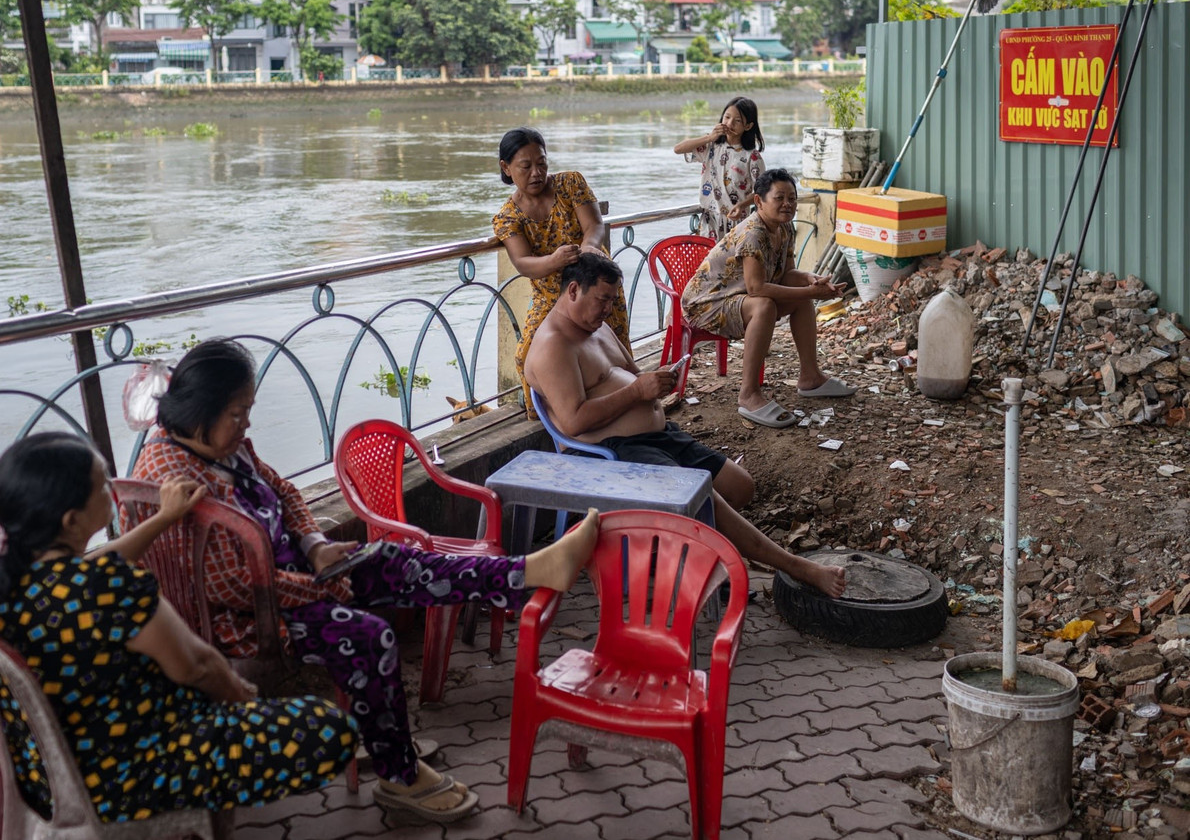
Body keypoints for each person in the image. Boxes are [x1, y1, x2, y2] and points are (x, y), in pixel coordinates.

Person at [130, 339, 603, 823]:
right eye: (237, 412)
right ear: (200, 410)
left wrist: (315, 545)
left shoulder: (223, 445)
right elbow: (230, 587)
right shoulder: (172, 475)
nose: (246, 424)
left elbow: (286, 491)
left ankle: (532, 570)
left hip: (296, 575)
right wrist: (323, 587)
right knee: (367, 637)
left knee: (397, 561)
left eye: (248, 410)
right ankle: (398, 775)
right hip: (249, 618)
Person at [0, 433, 359, 823]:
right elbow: (197, 666)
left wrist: (163, 518)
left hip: (45, 777)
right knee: (329, 731)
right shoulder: (108, 586)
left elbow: (96, 564)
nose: (112, 490)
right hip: (126, 776)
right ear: (71, 520)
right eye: (102, 485)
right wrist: (244, 699)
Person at [524, 253, 846, 598]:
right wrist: (637, 392)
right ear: (573, 290)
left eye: (611, 301)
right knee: (702, 497)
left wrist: (658, 382)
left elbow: (633, 375)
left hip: (656, 437)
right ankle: (794, 567)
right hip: (611, 453)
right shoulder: (553, 346)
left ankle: (668, 541)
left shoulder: (597, 327)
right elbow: (572, 422)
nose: (607, 310)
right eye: (602, 300)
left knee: (740, 488)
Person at [680, 168, 856, 430]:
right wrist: (810, 292)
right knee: (764, 305)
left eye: (792, 198)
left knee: (799, 292)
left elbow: (788, 274)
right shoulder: (754, 232)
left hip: (738, 296)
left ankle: (810, 377)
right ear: (759, 201)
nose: (788, 204)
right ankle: (748, 393)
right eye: (780, 198)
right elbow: (756, 289)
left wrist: (811, 280)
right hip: (706, 304)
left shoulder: (784, 228)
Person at [492, 126, 630, 411]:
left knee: (611, 340)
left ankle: (627, 396)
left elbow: (593, 225)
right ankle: (559, 411)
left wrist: (589, 247)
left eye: (541, 164)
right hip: (551, 295)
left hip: (595, 285)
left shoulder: (570, 183)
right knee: (527, 352)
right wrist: (555, 261)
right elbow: (523, 263)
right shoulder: (507, 217)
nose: (536, 173)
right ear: (506, 168)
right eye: (526, 166)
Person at [673, 96, 767, 240]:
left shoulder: (752, 157)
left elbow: (762, 190)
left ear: (747, 126)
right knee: (709, 262)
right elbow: (678, 149)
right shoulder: (711, 146)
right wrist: (709, 138)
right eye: (727, 117)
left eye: (737, 121)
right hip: (709, 221)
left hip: (737, 221)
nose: (729, 124)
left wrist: (741, 205)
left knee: (732, 262)